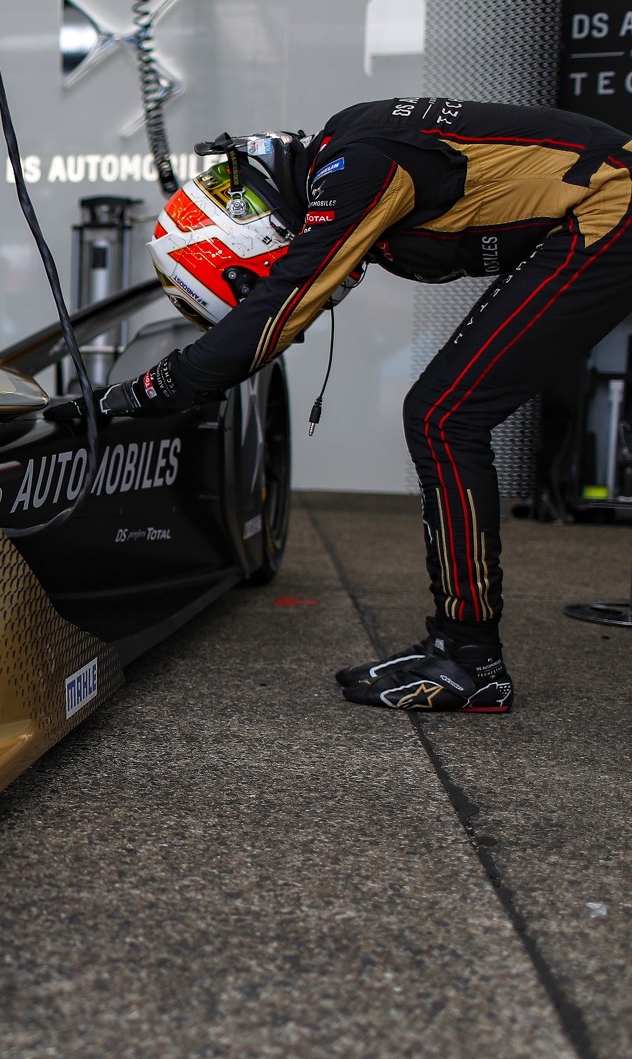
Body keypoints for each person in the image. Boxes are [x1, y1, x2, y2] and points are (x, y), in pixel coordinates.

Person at [98, 98, 632, 713]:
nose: (264, 279)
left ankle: (468, 658)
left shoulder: (355, 165)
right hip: (608, 200)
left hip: (613, 202)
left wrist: (149, 390)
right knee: (443, 413)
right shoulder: (348, 154)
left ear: (246, 238)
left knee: (444, 417)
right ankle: (463, 648)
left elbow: (283, 303)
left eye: (248, 280)